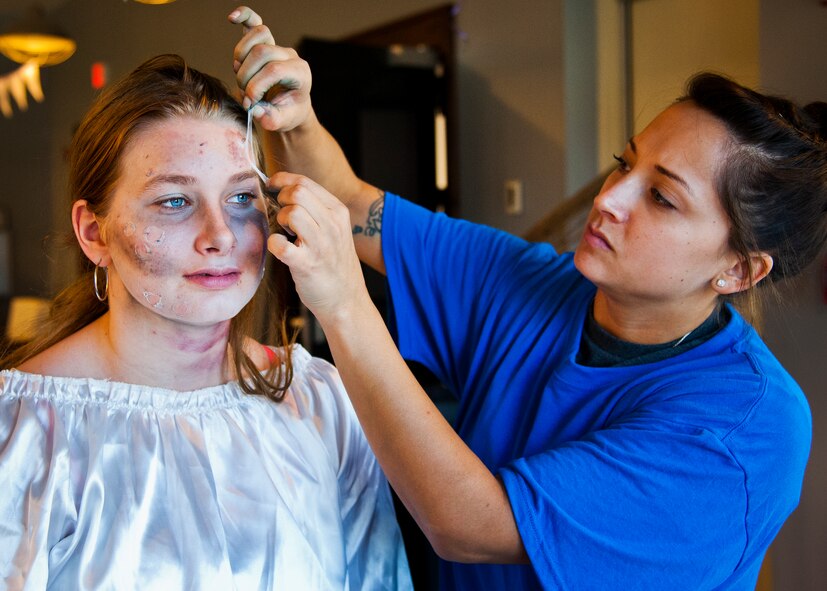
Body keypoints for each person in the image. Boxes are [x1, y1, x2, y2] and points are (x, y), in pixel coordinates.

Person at [230, 6, 827, 590]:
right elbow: (350, 203)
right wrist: (297, 119)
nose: (610, 198)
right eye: (625, 164)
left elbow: (467, 524)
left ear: (740, 270)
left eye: (662, 199)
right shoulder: (534, 281)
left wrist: (342, 304)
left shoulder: (744, 432)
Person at [0, 53, 412, 590]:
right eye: (174, 201)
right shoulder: (27, 432)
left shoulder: (320, 399)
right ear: (94, 233)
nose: (220, 233)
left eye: (242, 197)